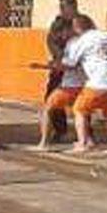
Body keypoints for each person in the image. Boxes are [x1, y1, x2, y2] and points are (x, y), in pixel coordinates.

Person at [61, 14, 107, 156]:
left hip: (98, 82)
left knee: (79, 109)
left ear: (77, 28)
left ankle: (82, 143)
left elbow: (70, 63)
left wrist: (55, 64)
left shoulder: (82, 41)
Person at [33, 23, 87, 151]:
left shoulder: (72, 44)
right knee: (80, 111)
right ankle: (85, 140)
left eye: (61, 32)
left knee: (46, 109)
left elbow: (68, 65)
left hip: (70, 85)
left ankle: (43, 143)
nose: (60, 36)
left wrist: (43, 66)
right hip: (83, 84)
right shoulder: (84, 43)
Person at [44, 0, 80, 141]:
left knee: (82, 99)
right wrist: (58, 57)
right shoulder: (57, 23)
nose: (61, 10)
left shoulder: (82, 22)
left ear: (73, 7)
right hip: (59, 66)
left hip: (78, 68)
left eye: (64, 6)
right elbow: (51, 40)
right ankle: (60, 129)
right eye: (60, 7)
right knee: (51, 97)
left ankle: (86, 132)